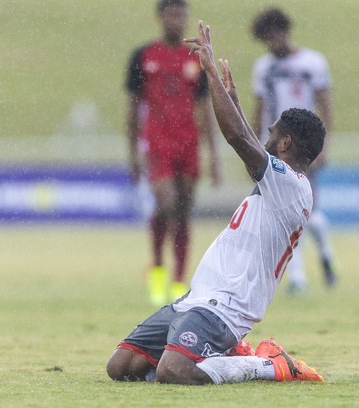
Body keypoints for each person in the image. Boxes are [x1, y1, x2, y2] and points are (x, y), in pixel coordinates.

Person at [107, 20, 325, 385]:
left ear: (285, 143)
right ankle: (220, 353)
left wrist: (208, 68)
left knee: (173, 372)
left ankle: (267, 365)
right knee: (121, 367)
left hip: (227, 308)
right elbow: (247, 140)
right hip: (197, 298)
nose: (265, 135)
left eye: (272, 132)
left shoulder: (293, 186)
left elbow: (239, 138)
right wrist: (235, 99)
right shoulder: (279, 181)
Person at [126, 0, 221, 307]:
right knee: (165, 205)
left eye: (181, 15)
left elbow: (204, 108)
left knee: (183, 211)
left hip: (188, 144)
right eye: (172, 14)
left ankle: (179, 279)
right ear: (160, 17)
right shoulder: (143, 56)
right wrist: (132, 154)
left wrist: (214, 155)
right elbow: (132, 108)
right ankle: (157, 269)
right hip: (157, 144)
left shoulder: (193, 58)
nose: (177, 20)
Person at [251, 7, 337, 294]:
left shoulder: (312, 62)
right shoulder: (263, 67)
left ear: (285, 32)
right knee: (283, 212)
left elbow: (325, 105)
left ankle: (325, 253)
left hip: (303, 148)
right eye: (266, 39)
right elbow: (259, 109)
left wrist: (323, 145)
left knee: (308, 211)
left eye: (274, 36)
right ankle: (297, 277)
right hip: (276, 149)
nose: (271, 43)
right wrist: (252, 145)